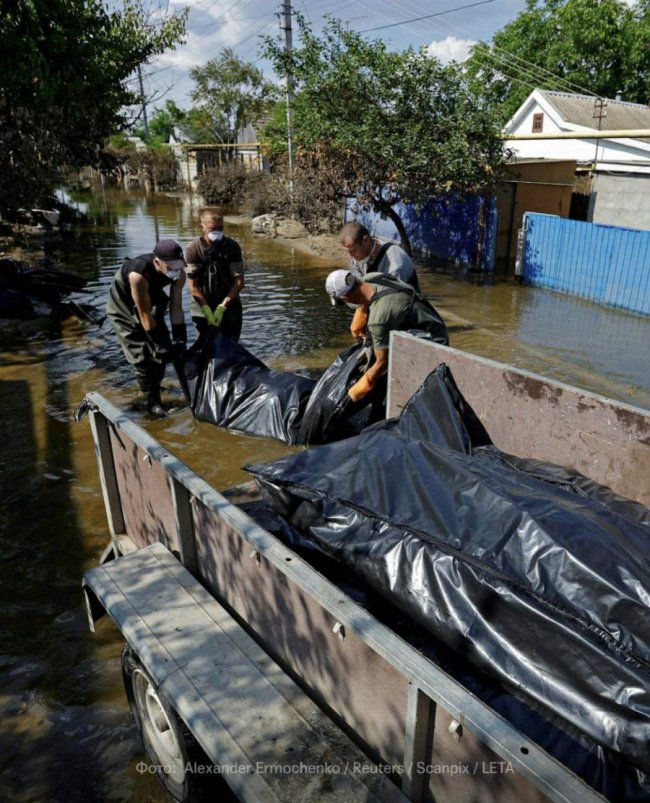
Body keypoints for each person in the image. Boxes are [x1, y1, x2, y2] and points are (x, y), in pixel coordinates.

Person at [325, 269, 449, 403]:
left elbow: (382, 363)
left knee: (390, 384)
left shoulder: (378, 320)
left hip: (434, 343)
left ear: (346, 298)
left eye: (341, 302)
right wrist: (368, 343)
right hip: (432, 320)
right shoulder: (372, 277)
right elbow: (367, 303)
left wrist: (356, 390)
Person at [107, 239, 187, 416]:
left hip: (152, 297)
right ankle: (150, 399)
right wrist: (159, 344)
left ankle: (156, 384)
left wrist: (180, 340)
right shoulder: (138, 275)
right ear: (158, 262)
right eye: (171, 266)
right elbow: (144, 315)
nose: (176, 270)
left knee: (162, 354)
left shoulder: (179, 274)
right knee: (141, 354)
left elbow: (176, 307)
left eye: (179, 265)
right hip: (124, 306)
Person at [184, 209, 245, 340]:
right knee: (204, 345)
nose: (217, 231)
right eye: (213, 228)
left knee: (231, 344)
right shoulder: (193, 249)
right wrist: (206, 309)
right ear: (202, 227)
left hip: (229, 302)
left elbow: (239, 282)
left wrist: (222, 307)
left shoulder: (232, 247)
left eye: (220, 228)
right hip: (201, 303)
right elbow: (193, 287)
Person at [339, 220, 420, 290]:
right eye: (348, 252)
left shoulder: (395, 264)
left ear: (366, 240)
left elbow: (394, 300)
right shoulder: (359, 256)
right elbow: (360, 285)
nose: (350, 256)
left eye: (353, 251)